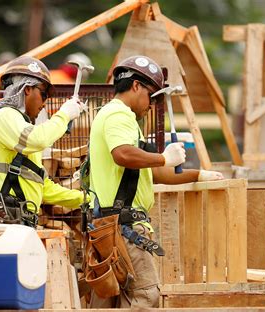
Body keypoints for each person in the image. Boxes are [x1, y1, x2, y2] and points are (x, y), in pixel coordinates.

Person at [87, 55, 224, 308]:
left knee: (110, 301)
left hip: (112, 225)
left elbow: (154, 173)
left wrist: (198, 175)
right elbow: (123, 155)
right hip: (124, 226)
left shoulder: (117, 117)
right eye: (152, 95)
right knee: (144, 296)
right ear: (136, 85)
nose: (152, 105)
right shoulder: (119, 115)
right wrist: (163, 157)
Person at [0, 55, 89, 227]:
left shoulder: (21, 129)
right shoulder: (5, 116)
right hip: (5, 223)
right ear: (27, 89)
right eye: (43, 95)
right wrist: (64, 114)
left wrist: (88, 199)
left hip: (17, 222)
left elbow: (43, 188)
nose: (44, 104)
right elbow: (38, 139)